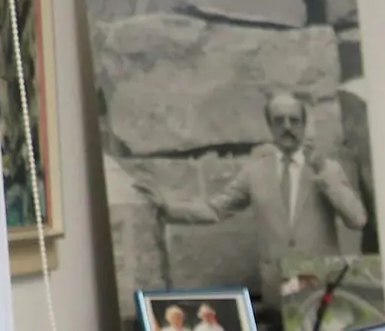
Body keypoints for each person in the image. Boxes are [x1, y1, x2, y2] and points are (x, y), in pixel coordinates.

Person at [142, 91, 367, 300]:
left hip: (320, 291)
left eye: (294, 120)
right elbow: (216, 209)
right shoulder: (255, 171)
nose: (287, 127)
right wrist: (169, 208)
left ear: (304, 125)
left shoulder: (327, 169)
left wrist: (323, 173)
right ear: (270, 127)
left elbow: (357, 219)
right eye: (279, 121)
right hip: (277, 291)